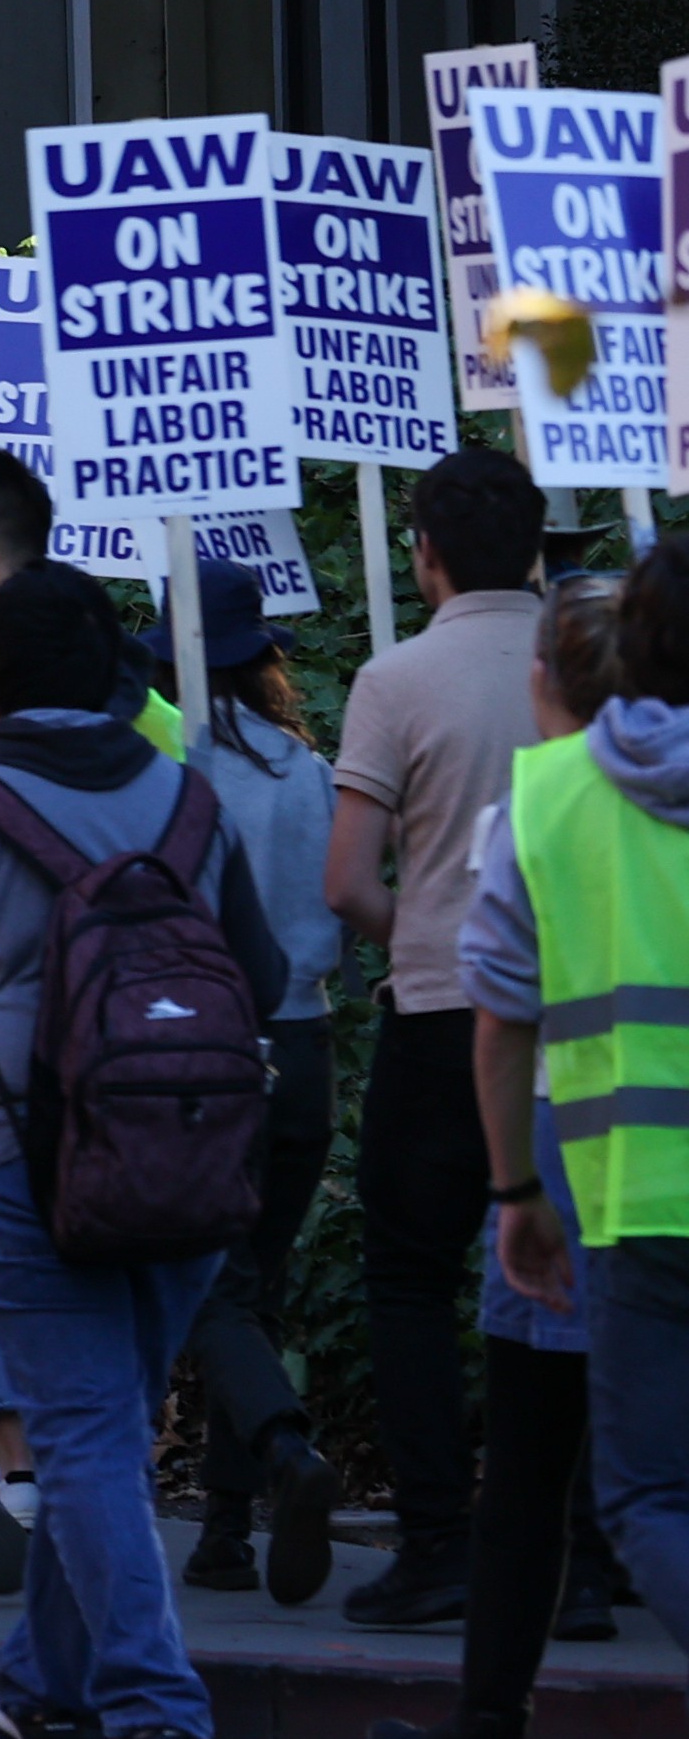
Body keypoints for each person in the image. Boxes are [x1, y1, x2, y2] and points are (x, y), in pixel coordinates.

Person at [0, 561, 287, 1739]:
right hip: (191, 1154)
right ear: (110, 672)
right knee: (105, 1439)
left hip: (20, 1163)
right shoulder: (192, 803)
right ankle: (41, 1687)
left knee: (84, 1436)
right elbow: (259, 973)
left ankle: (148, 1718)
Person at [371, 570, 632, 1739]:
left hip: (577, 1183)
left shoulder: (544, 805)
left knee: (531, 1473)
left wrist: (514, 1184)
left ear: (551, 684)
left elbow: (501, 1024)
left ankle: (488, 1736)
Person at [322, 440, 549, 1629]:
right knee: (565, 1289)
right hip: (582, 1022)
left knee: (411, 1281)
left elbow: (349, 878)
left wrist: (416, 930)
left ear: (424, 554)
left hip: (441, 1009)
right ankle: (588, 1557)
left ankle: (438, 1543)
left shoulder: (397, 679)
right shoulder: (590, 663)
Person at [179, 559, 358, 1606]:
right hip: (309, 1050)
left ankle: (283, 1457)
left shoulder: (186, 777)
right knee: (261, 1287)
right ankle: (224, 1530)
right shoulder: (310, 770)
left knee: (212, 1283)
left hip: (216, 1050)